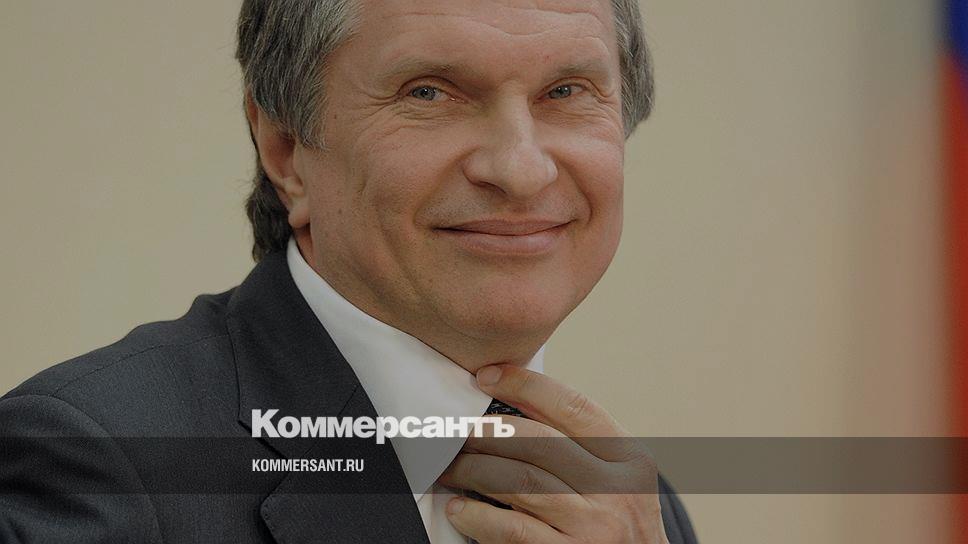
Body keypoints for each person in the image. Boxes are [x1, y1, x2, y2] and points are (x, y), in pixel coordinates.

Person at [0, 0, 699, 542]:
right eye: (429, 93)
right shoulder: (105, 463)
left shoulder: (623, 503)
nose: (520, 170)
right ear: (285, 152)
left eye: (567, 91)